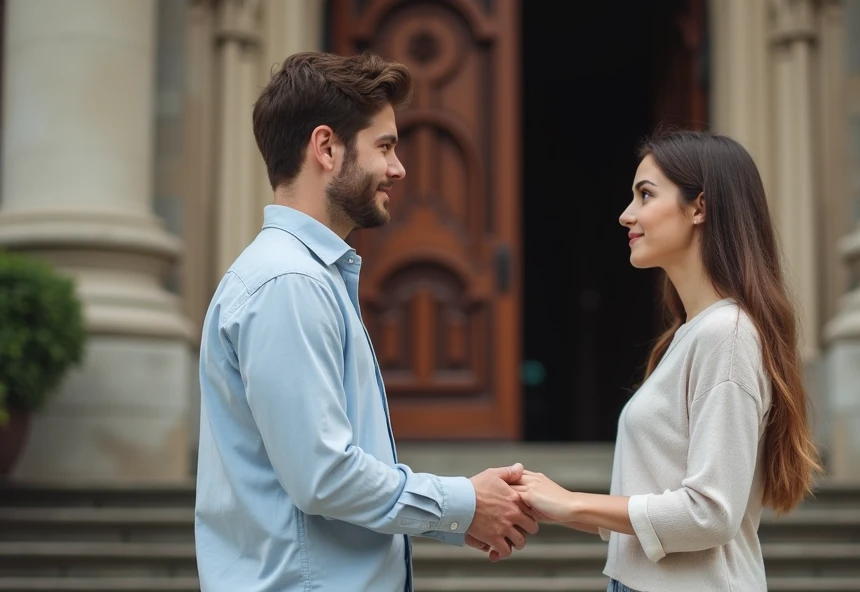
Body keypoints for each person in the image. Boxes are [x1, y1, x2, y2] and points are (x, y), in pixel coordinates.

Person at [194, 51, 537, 592]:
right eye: (385, 146)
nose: (399, 168)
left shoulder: (301, 277)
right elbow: (324, 477)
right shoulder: (290, 283)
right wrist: (464, 504)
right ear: (326, 147)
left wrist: (457, 516)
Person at [511, 129, 821, 592]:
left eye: (645, 194)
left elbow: (710, 513)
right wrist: (547, 500)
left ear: (700, 207)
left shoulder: (726, 334)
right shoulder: (690, 335)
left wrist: (573, 503)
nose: (626, 215)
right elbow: (656, 509)